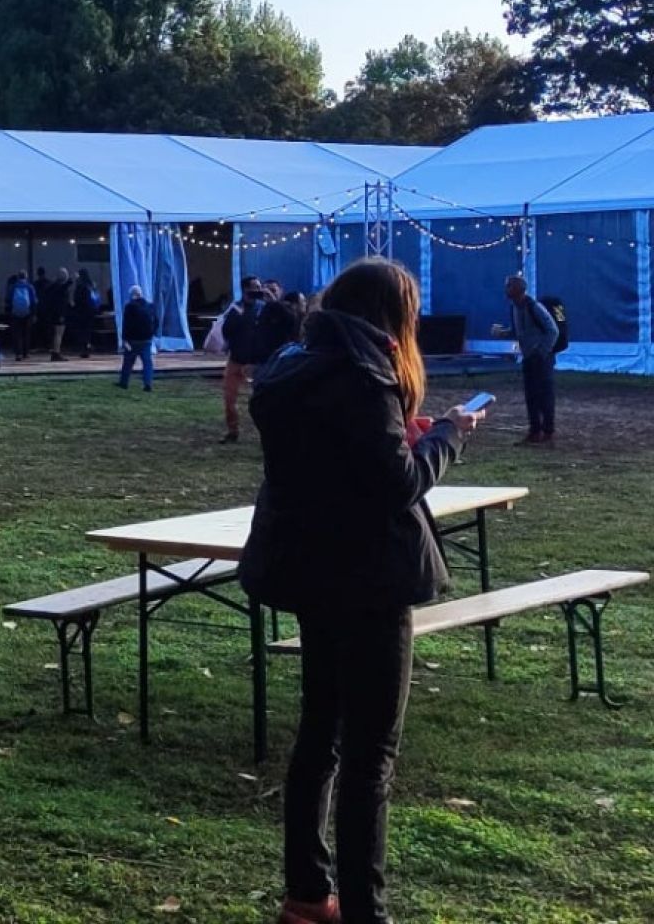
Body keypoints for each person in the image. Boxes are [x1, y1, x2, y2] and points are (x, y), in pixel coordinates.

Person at [239, 258, 484, 924]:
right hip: (371, 578)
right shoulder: (364, 375)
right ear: (392, 314)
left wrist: (402, 434)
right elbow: (398, 483)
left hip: (308, 569)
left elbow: (344, 457)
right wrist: (448, 435)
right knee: (371, 755)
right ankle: (364, 911)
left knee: (319, 734)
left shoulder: (291, 367)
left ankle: (306, 893)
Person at [491, 273, 558, 446]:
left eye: (509, 286)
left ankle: (548, 432)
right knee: (531, 396)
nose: (506, 289)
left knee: (544, 396)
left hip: (541, 358)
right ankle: (535, 431)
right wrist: (503, 333)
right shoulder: (514, 307)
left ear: (518, 289)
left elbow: (553, 330)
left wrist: (541, 352)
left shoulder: (534, 307)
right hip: (528, 357)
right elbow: (519, 332)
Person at [219, 276, 269, 443]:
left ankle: (265, 432)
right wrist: (239, 318)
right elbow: (226, 331)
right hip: (236, 360)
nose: (259, 290)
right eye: (255, 287)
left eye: (260, 286)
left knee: (260, 400)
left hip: (256, 362)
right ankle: (232, 431)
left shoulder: (263, 308)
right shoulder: (236, 308)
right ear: (245, 289)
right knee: (229, 398)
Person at [117, 285, 159, 391]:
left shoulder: (129, 307)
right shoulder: (150, 306)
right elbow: (156, 321)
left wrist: (124, 338)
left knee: (128, 362)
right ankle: (148, 383)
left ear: (132, 295)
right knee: (147, 362)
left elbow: (126, 324)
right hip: (147, 339)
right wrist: (152, 333)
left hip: (133, 340)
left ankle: (124, 382)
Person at [4, 271, 35, 362]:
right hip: (27, 313)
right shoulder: (29, 287)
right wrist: (33, 313)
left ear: (18, 277)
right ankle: (26, 353)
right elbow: (34, 301)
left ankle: (18, 353)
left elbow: (8, 299)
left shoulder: (13, 287)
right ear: (26, 277)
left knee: (17, 334)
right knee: (26, 333)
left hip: (15, 313)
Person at [67, 269, 99, 358]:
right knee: (88, 330)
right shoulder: (91, 284)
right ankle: (87, 346)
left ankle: (84, 348)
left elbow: (78, 298)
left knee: (82, 330)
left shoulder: (80, 285)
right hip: (91, 310)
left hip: (81, 311)